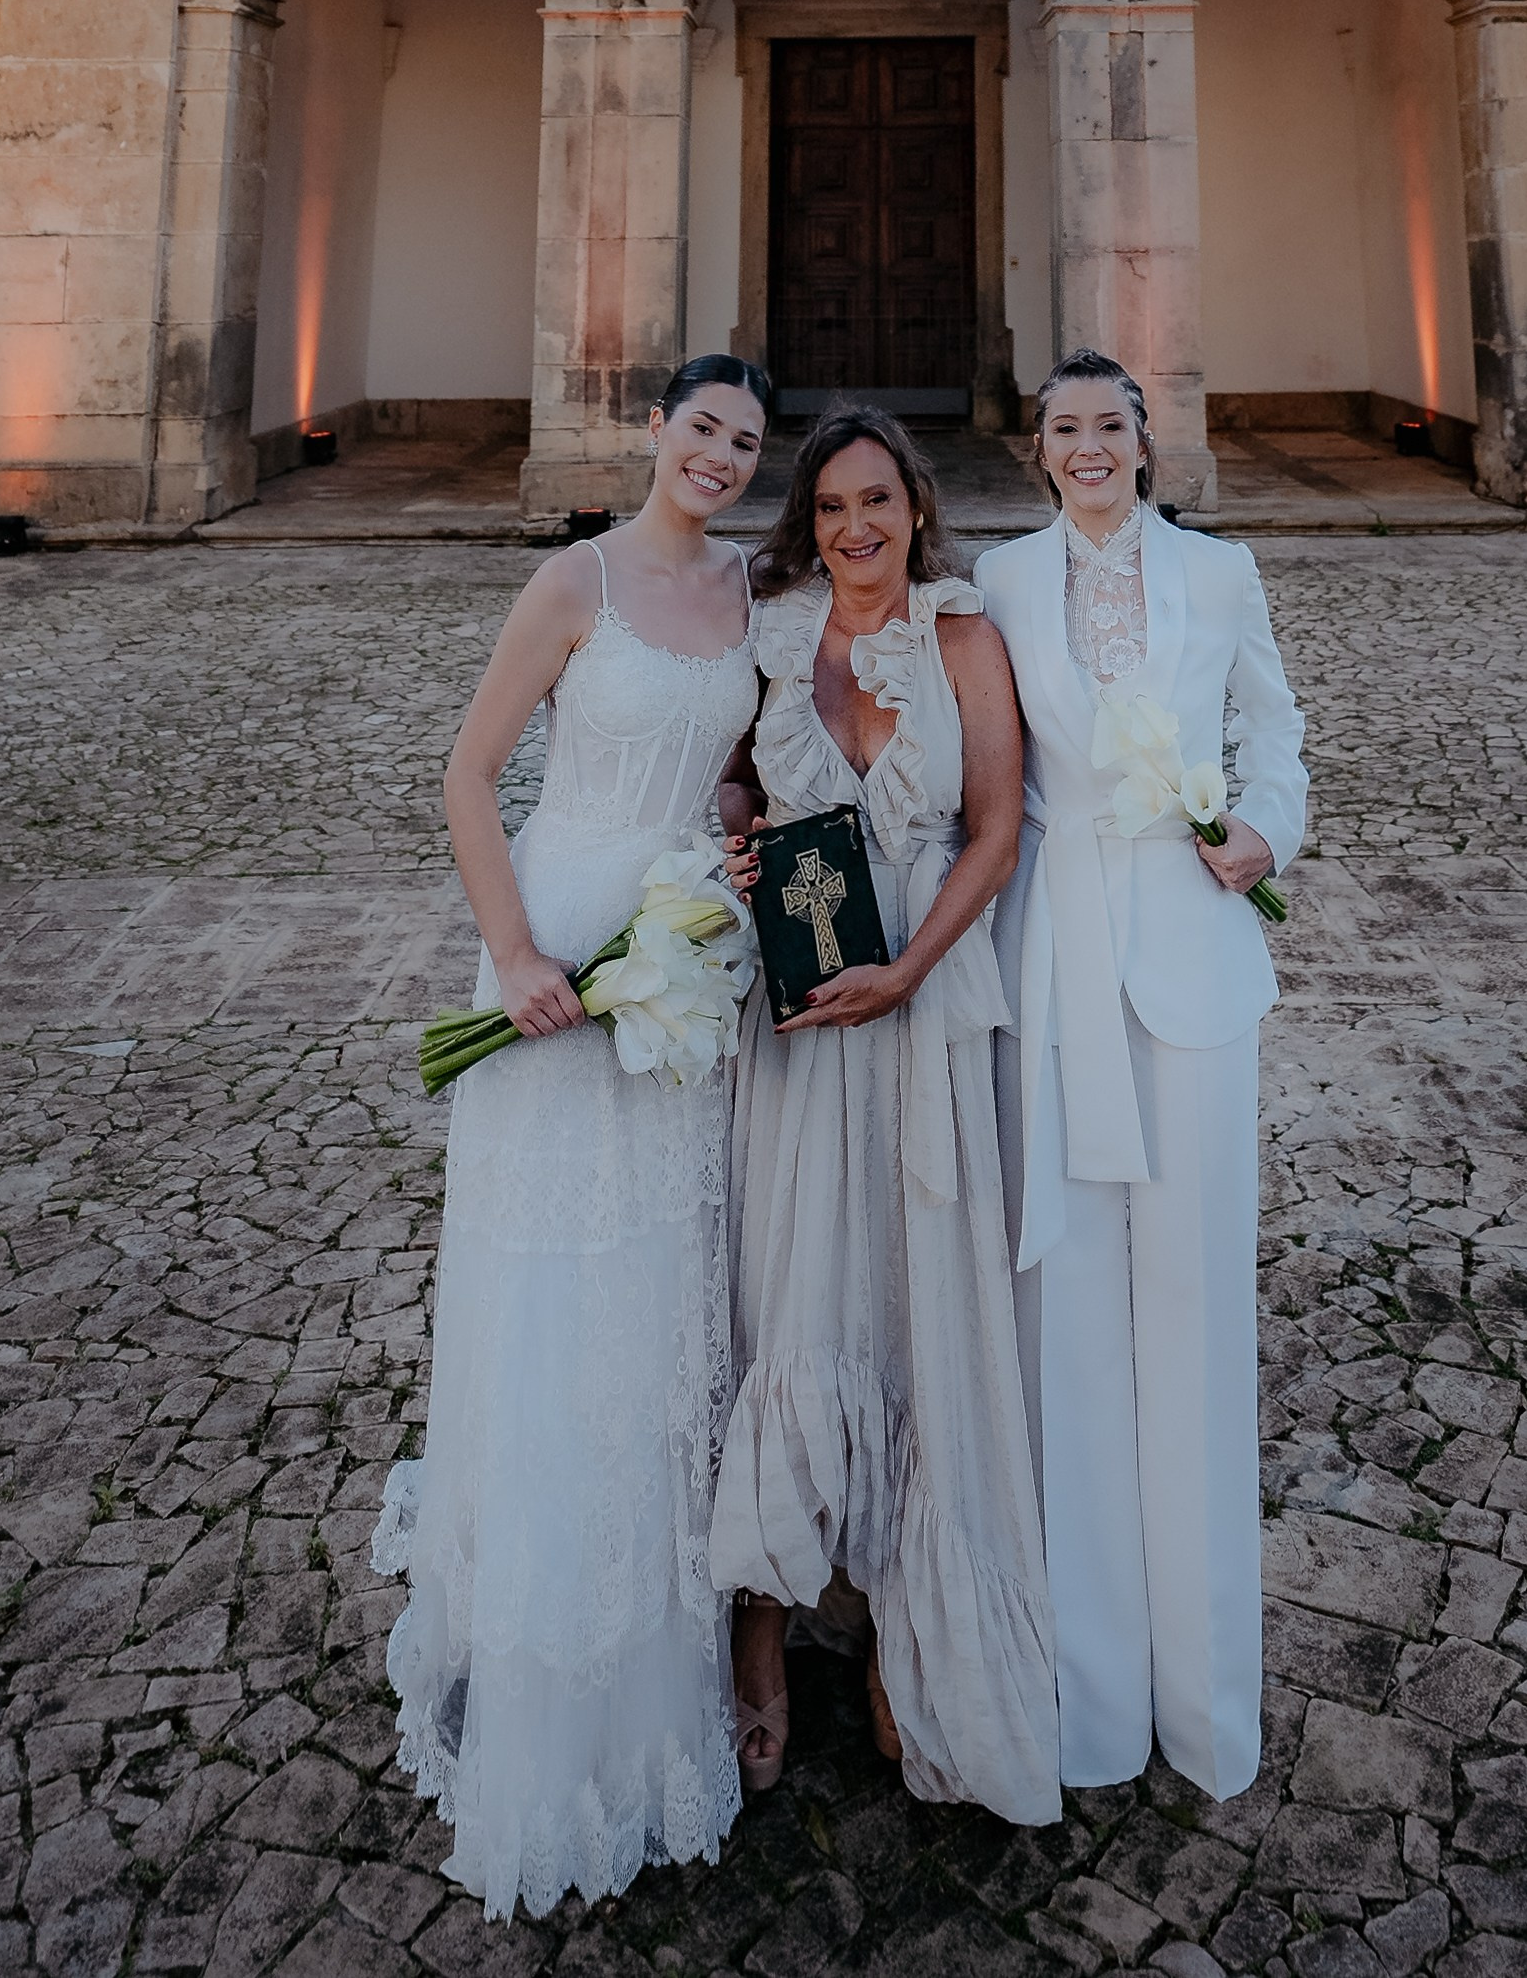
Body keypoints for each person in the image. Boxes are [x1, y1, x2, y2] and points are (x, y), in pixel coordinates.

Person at [373, 356, 773, 1920]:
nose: (723, 457)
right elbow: (470, 778)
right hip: (556, 947)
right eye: (702, 429)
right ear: (654, 432)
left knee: (668, 1275)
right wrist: (522, 956)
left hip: (678, 955)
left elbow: (739, 776)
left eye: (748, 440)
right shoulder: (574, 578)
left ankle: (658, 1606)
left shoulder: (751, 594)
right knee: (555, 1282)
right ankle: (540, 1614)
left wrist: (736, 861)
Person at [712, 407, 1059, 1823]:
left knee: (914, 1311)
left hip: (914, 1003)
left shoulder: (965, 638)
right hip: (797, 1025)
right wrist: (739, 823)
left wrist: (909, 972)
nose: (859, 528)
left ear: (917, 510)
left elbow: (993, 825)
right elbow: (740, 776)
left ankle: (899, 1637)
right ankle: (762, 1637)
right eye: (836, 507)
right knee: (790, 1301)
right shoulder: (774, 634)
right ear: (813, 521)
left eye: (880, 504)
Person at [974, 351, 1307, 1802]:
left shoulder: (1221, 574)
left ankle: (1207, 1699)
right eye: (1066, 428)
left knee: (1191, 1309)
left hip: (1190, 961)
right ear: (1037, 451)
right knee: (1070, 1334)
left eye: (1112, 424)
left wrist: (1268, 835)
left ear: (1146, 442)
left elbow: (1277, 732)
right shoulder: (992, 585)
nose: (1090, 446)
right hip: (1054, 962)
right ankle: (1089, 1700)